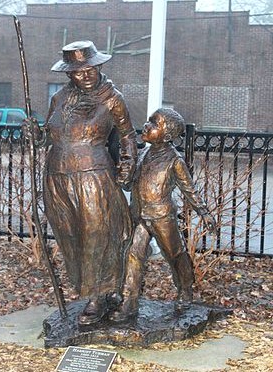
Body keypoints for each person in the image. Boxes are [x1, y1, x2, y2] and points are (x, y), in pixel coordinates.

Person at [42, 40, 137, 326]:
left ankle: (101, 294)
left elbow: (128, 136)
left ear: (99, 66)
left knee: (98, 234)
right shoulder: (59, 99)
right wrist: (34, 133)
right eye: (77, 72)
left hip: (94, 176)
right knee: (70, 236)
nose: (85, 75)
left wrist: (127, 165)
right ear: (68, 73)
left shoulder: (112, 98)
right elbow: (48, 134)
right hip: (57, 176)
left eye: (89, 69)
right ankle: (88, 289)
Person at [110, 108, 216, 322]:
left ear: (167, 136)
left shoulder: (174, 161)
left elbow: (189, 189)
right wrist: (123, 179)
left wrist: (204, 213)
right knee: (133, 255)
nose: (147, 126)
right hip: (140, 216)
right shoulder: (142, 155)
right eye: (149, 121)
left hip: (162, 217)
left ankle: (185, 289)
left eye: (154, 123)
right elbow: (132, 186)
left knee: (175, 255)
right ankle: (129, 302)